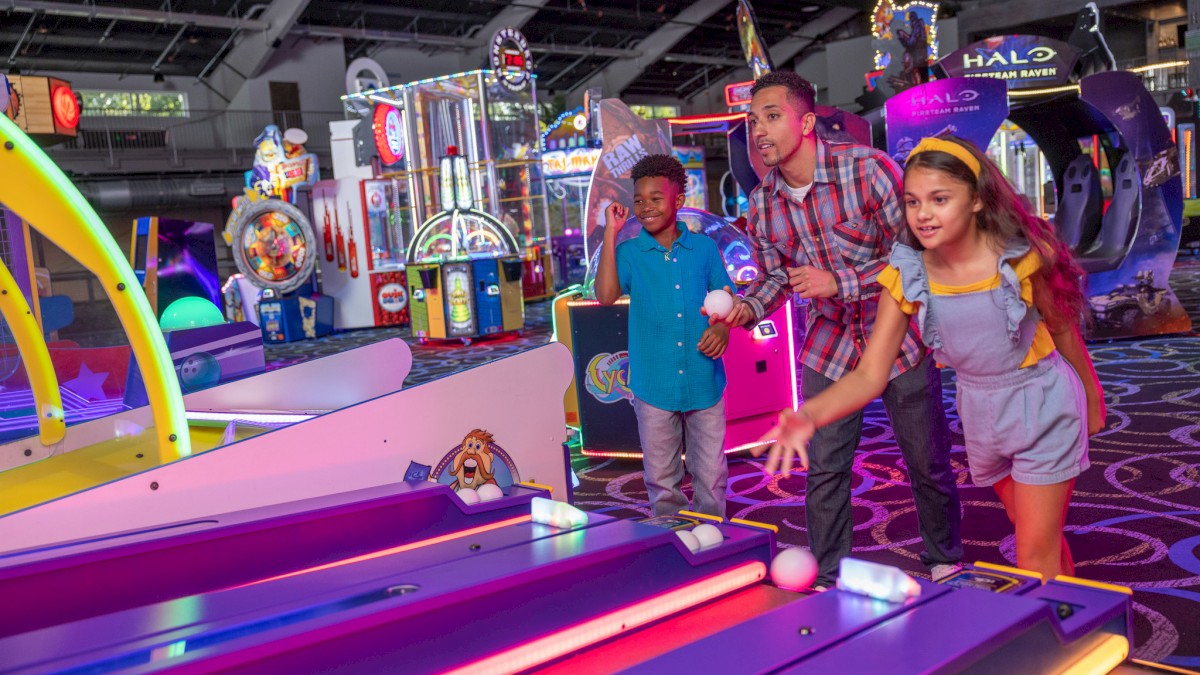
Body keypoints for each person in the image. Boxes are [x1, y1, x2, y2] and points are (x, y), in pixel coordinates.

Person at [755, 136, 1106, 582]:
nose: (923, 214)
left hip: (1042, 402)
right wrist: (809, 416)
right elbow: (869, 375)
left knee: (1033, 553)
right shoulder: (907, 273)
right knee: (1037, 534)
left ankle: (1054, 641)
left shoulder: (1018, 260)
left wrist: (1091, 394)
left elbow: (1061, 328)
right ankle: (1079, 618)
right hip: (981, 410)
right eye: (913, 201)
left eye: (940, 199)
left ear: (977, 200)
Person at [716, 70, 963, 588]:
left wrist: (841, 281)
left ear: (806, 121)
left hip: (899, 338)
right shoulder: (761, 204)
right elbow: (776, 278)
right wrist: (746, 309)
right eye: (753, 120)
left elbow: (916, 254)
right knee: (825, 469)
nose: (759, 130)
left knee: (927, 461)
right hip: (828, 346)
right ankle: (830, 573)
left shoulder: (869, 170)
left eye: (771, 116)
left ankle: (943, 556)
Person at [595, 154, 734, 518]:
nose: (645, 207)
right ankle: (671, 541)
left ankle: (714, 536)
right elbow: (606, 294)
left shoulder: (704, 248)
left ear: (679, 201)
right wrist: (610, 233)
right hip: (652, 383)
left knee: (711, 474)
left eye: (656, 198)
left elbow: (725, 296)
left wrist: (721, 327)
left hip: (704, 379)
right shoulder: (628, 252)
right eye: (639, 200)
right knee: (661, 478)